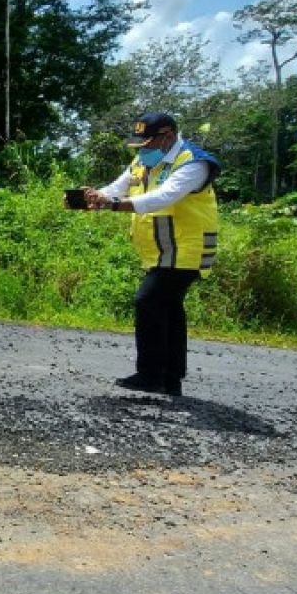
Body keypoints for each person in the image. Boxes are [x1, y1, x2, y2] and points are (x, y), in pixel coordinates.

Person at [80, 112, 220, 397]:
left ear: (167, 136)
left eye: (147, 144)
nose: (142, 151)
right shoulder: (144, 161)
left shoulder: (194, 163)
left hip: (187, 248)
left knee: (149, 301)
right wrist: (97, 197)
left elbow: (163, 197)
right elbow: (119, 186)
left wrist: (114, 205)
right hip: (164, 249)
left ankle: (150, 374)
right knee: (169, 309)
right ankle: (170, 379)